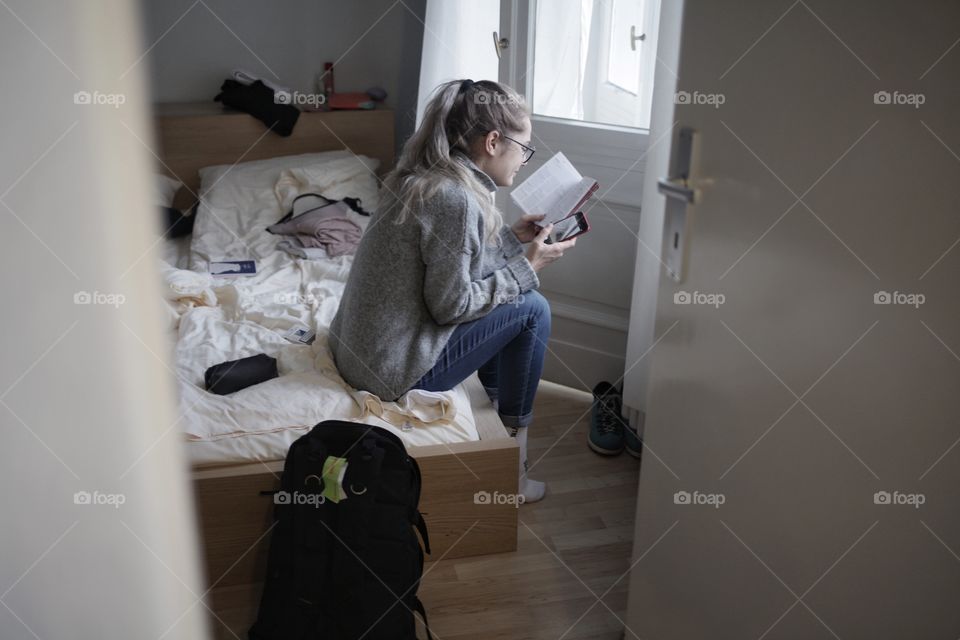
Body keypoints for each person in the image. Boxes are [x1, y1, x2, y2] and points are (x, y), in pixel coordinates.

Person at [329, 79, 577, 502]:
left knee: (514, 300)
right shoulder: (455, 199)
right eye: (524, 149)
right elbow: (452, 305)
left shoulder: (424, 178)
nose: (524, 160)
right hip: (388, 370)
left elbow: (452, 270)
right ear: (493, 142)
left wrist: (511, 242)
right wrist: (527, 266)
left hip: (361, 352)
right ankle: (514, 463)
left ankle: (495, 411)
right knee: (532, 308)